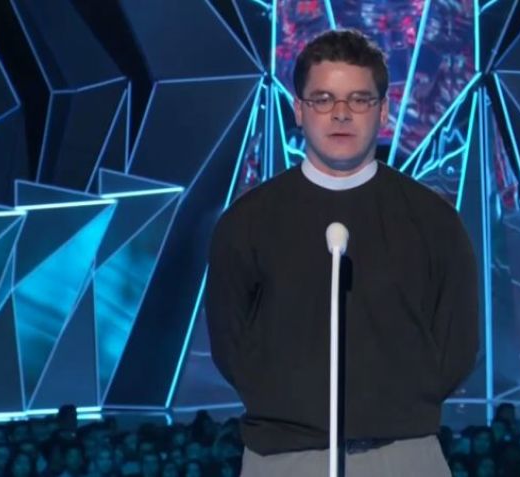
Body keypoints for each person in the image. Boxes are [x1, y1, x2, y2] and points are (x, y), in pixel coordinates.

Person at [205, 29, 479, 476]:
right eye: (322, 99)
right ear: (298, 109)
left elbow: (458, 345)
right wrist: (291, 406)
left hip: (404, 454)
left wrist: (393, 408)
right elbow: (230, 343)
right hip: (284, 457)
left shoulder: (433, 220)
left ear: (383, 110)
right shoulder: (248, 221)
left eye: (359, 99)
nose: (340, 113)